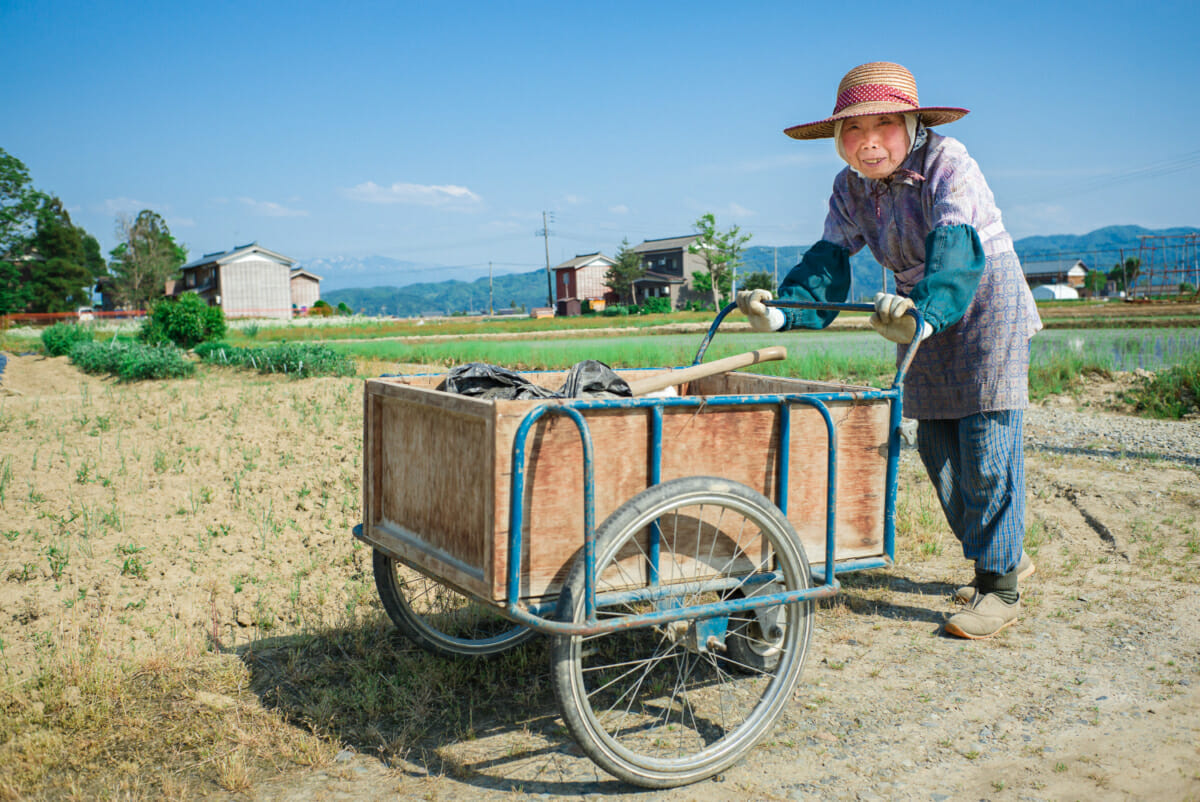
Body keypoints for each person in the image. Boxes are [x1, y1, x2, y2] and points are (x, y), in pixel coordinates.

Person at [737, 62, 1041, 639]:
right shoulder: (849, 187)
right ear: (837, 138)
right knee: (935, 442)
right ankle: (1005, 552)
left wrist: (925, 314)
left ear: (911, 123)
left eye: (883, 124)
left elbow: (956, 246)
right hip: (912, 311)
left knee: (986, 439)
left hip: (981, 296)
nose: (868, 141)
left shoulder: (948, 162)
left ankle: (999, 584)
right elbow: (829, 259)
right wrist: (781, 311)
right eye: (852, 129)